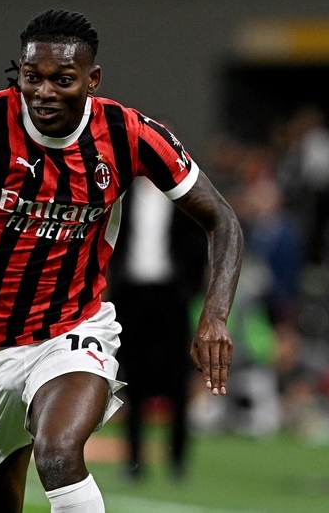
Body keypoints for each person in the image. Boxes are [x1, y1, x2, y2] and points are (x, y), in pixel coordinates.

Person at [0, 8, 243, 513]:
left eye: (62, 79)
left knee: (57, 454)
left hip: (71, 329)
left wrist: (215, 314)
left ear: (92, 80)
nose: (44, 92)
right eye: (32, 77)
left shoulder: (129, 134)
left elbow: (222, 219)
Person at [109, 174, 207, 479]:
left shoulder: (182, 194)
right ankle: (133, 461)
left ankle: (177, 459)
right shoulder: (123, 195)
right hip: (132, 296)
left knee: (177, 380)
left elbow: (198, 240)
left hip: (171, 297)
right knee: (131, 380)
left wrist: (188, 289)